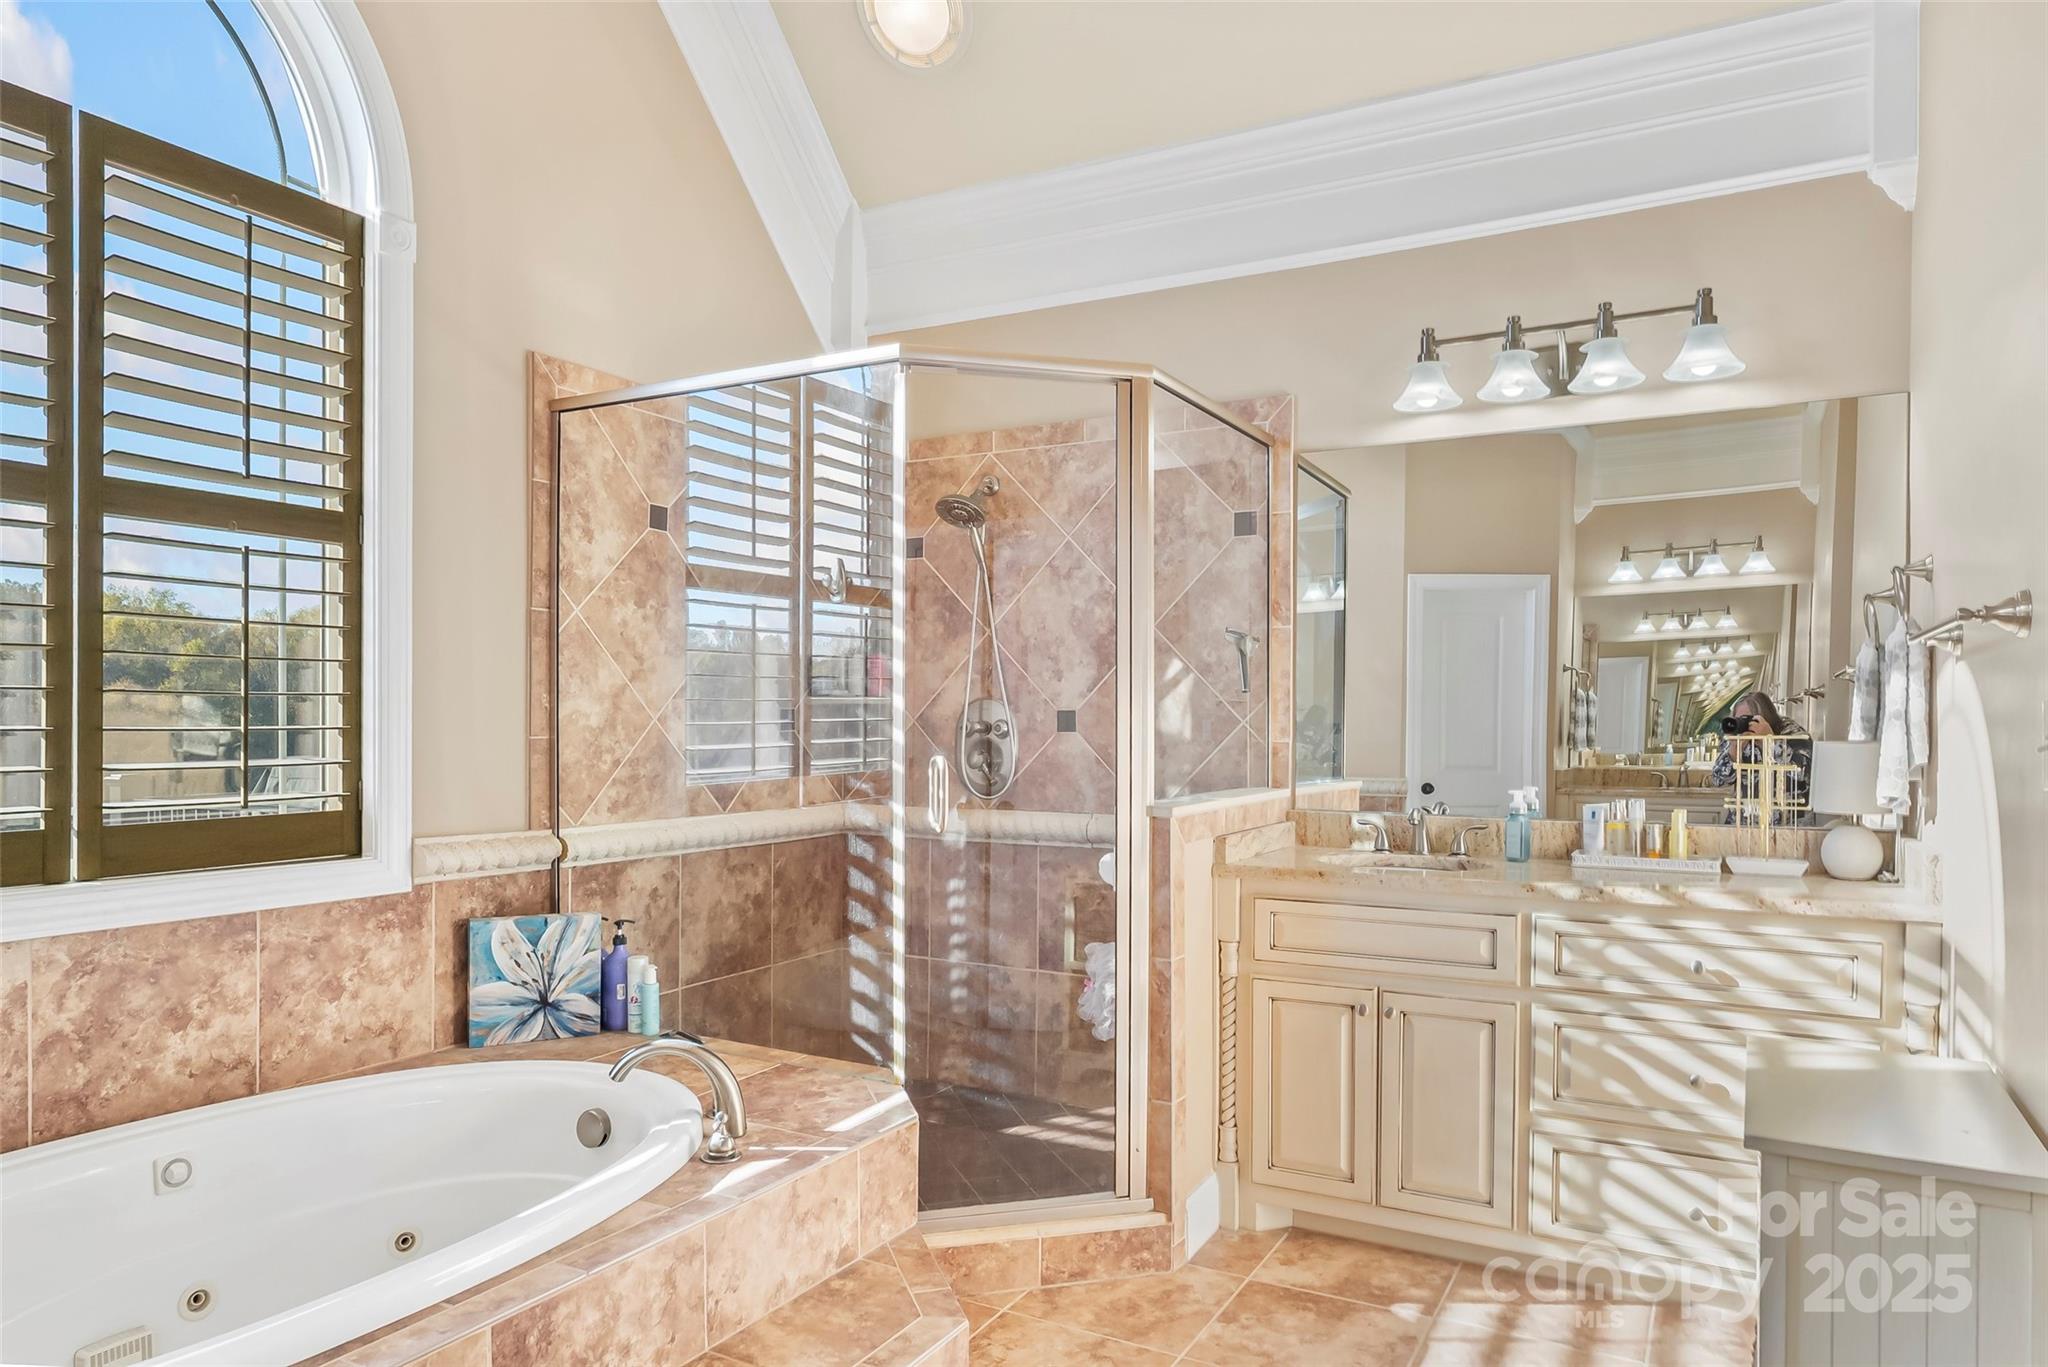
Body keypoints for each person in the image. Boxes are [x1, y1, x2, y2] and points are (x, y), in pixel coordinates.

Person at [1708, 691, 1812, 823]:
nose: (1743, 724)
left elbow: (1804, 772)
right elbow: (1719, 780)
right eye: (1738, 719)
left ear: (1766, 717)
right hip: (1744, 823)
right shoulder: (1734, 736)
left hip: (1786, 825)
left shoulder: (1791, 733)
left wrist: (1770, 742)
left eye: (1747, 719)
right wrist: (1734, 751)